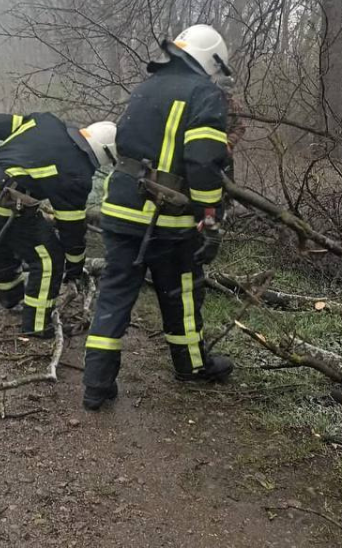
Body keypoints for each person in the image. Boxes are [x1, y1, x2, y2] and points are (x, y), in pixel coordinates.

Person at [82, 24, 235, 411]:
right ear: (211, 61)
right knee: (181, 292)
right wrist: (209, 217)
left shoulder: (145, 87)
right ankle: (192, 367)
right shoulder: (205, 94)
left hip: (118, 208)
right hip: (166, 217)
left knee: (114, 294)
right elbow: (202, 162)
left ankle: (96, 386)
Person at [0, 113, 116, 338]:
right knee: (49, 259)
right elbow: (71, 228)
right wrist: (74, 266)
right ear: (104, 154)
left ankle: (9, 297)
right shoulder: (76, 173)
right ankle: (37, 325)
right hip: (5, 202)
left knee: (3, 244)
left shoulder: (46, 121)